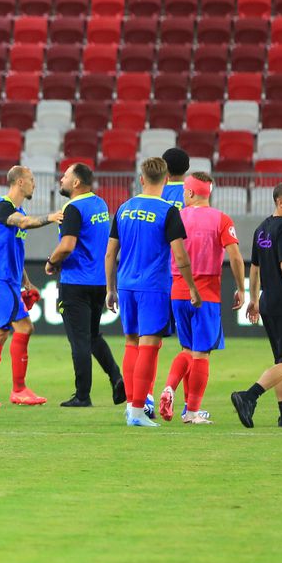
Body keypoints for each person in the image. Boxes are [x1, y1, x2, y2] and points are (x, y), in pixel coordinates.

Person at [106, 157, 201, 428]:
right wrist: (191, 287)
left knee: (130, 343)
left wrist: (110, 288)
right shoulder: (169, 211)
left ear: (141, 179)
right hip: (154, 287)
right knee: (149, 345)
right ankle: (137, 411)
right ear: (167, 180)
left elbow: (111, 252)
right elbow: (180, 256)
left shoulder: (123, 208)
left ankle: (130, 406)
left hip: (125, 284)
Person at [157, 172, 245, 424]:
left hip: (178, 290)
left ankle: (170, 389)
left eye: (185, 190)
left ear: (192, 193)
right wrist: (241, 287)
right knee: (201, 353)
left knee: (186, 349)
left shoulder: (177, 217)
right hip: (206, 292)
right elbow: (236, 256)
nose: (183, 194)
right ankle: (192, 411)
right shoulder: (221, 219)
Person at [0, 166, 63, 407]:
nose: (34, 184)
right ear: (20, 182)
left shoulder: (18, 209)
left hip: (8, 280)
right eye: (32, 180)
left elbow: (14, 251)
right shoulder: (3, 206)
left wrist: (25, 281)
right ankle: (19, 389)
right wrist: (50, 218)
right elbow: (22, 223)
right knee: (24, 327)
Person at [44, 163, 125, 408]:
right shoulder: (100, 204)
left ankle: (82, 395)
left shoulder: (73, 208)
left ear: (76, 183)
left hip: (76, 282)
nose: (61, 179)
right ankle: (116, 377)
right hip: (100, 282)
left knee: (79, 340)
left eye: (66, 176)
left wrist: (51, 261)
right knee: (92, 336)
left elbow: (68, 245)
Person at [230, 182, 282, 428]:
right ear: (280, 202)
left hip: (268, 302)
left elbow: (256, 267)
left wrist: (254, 299)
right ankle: (248, 397)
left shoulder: (262, 229)